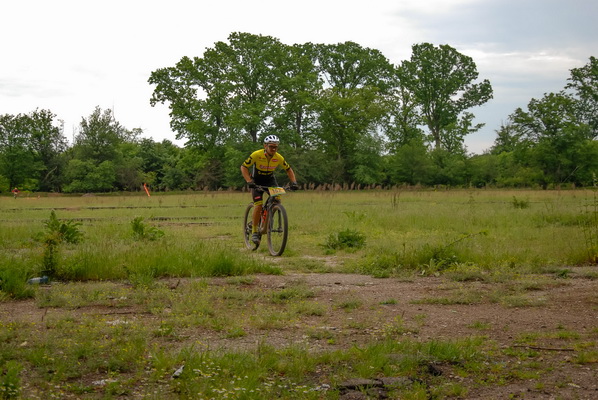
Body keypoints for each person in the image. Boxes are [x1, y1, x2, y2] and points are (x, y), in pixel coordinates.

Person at [241, 135, 298, 244]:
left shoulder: (278, 157)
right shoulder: (256, 155)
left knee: (277, 200)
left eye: (276, 147)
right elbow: (243, 167)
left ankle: (268, 218)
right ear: (265, 146)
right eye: (271, 146)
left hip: (270, 180)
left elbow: (288, 169)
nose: (274, 149)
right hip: (256, 181)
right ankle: (254, 231)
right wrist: (249, 181)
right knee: (258, 205)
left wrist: (294, 182)